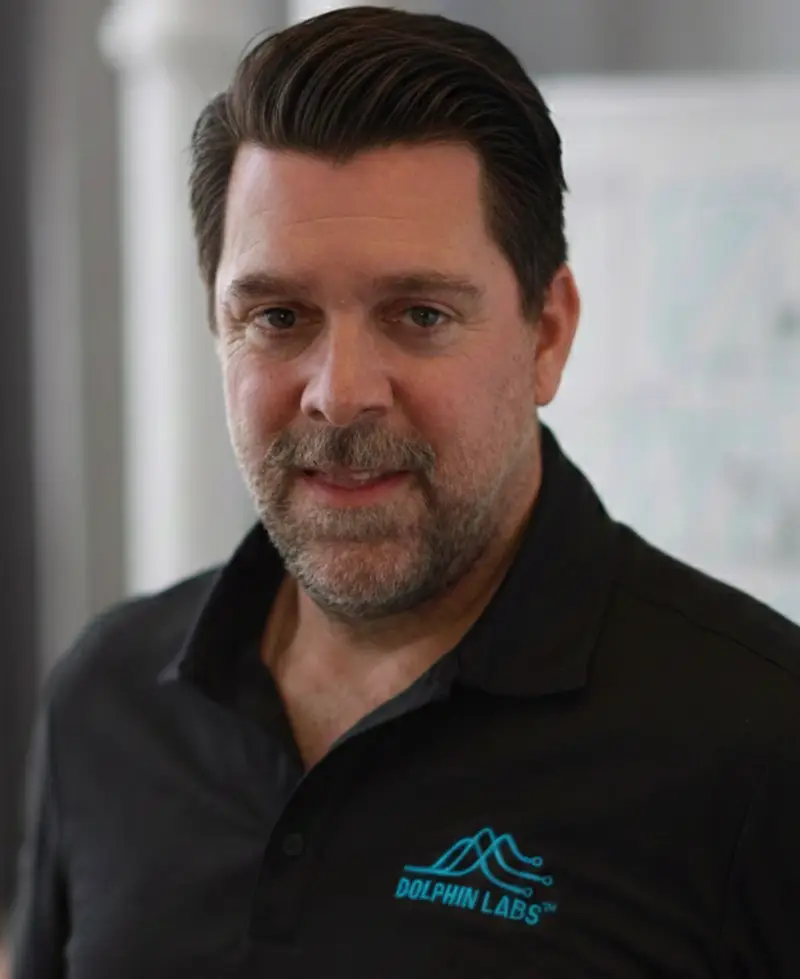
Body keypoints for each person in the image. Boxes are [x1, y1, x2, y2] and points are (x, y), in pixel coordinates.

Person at [9, 6, 800, 978]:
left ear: (546, 333)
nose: (339, 393)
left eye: (419, 314)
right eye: (278, 316)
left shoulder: (758, 742)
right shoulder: (107, 701)